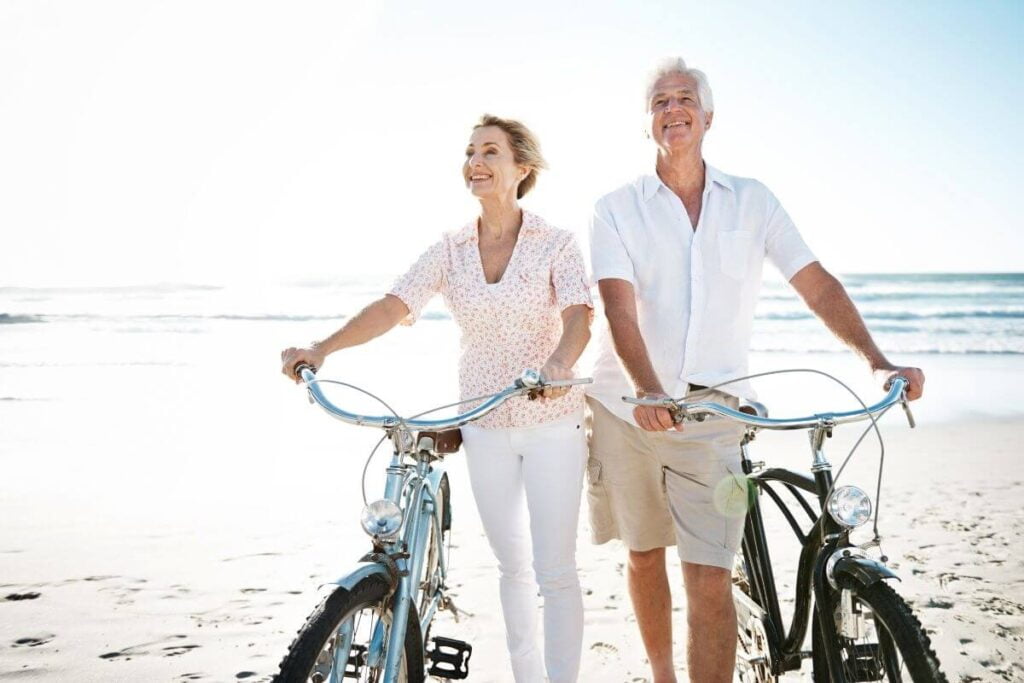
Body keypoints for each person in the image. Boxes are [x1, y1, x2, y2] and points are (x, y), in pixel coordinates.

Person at [585, 58, 926, 683]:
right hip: (625, 407)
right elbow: (617, 306)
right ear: (647, 123)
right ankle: (662, 674)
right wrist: (646, 387)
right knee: (642, 555)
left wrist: (877, 363)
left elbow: (816, 284)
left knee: (711, 577)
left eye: (684, 98)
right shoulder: (615, 208)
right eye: (659, 101)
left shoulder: (754, 201)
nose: (672, 108)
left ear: (708, 116)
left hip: (716, 413)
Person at [281, 114, 593, 683]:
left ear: (522, 168)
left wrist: (559, 363)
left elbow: (580, 315)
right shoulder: (450, 249)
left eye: (490, 152)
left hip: (553, 421)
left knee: (555, 569)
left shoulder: (556, 243)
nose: (475, 161)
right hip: (483, 424)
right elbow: (393, 306)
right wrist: (321, 347)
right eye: (471, 151)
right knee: (512, 567)